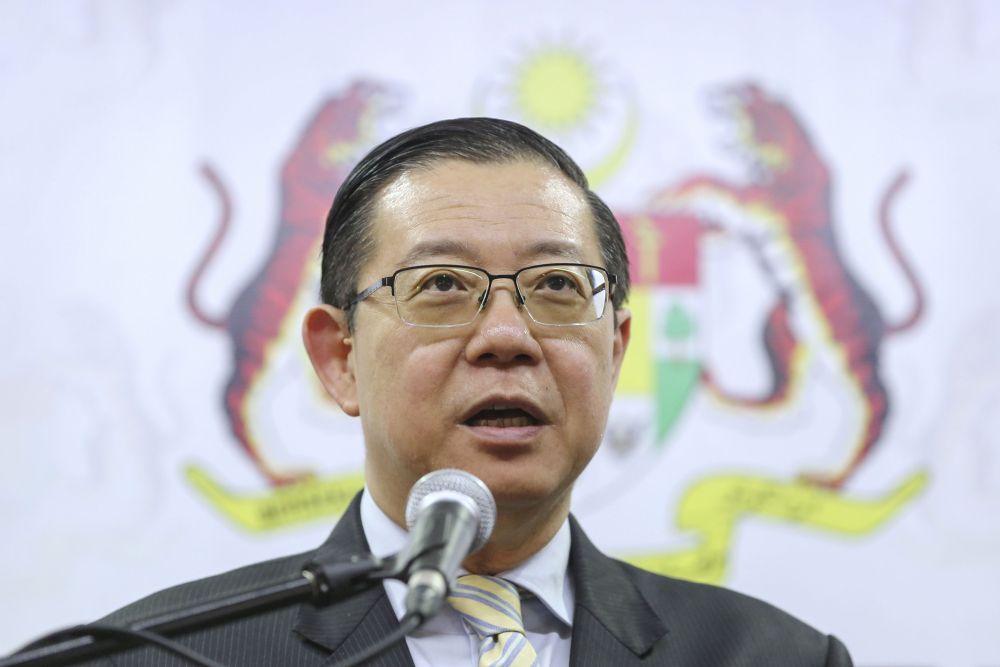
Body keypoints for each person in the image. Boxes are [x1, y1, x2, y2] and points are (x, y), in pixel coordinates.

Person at [67, 118, 853, 665]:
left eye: (555, 285)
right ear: (338, 358)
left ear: (614, 350)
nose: (507, 335)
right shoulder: (161, 656)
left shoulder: (775, 656)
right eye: (441, 283)